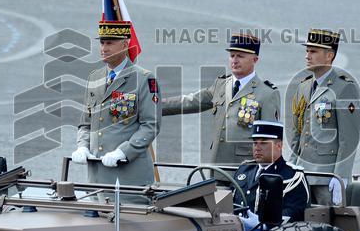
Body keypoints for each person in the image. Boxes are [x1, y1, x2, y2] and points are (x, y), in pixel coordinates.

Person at [161, 32, 280, 165]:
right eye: (232, 56)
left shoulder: (266, 93)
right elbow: (191, 101)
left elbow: (271, 140)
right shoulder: (221, 85)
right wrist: (153, 106)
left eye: (240, 56)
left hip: (246, 169)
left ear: (255, 60)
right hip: (217, 166)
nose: (234, 60)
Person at [73, 20, 161, 187]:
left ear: (124, 45)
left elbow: (151, 125)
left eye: (110, 43)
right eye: (102, 43)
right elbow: (85, 123)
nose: (104, 48)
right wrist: (82, 146)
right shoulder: (94, 77)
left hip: (129, 177)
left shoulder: (143, 79)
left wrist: (123, 152)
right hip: (97, 177)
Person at [289, 29, 360, 207]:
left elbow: (349, 139)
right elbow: (298, 134)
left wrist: (341, 176)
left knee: (326, 225)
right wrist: (291, 166)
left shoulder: (343, 88)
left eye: (313, 52)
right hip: (302, 175)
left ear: (329, 55)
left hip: (325, 176)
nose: (307, 56)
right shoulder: (304, 87)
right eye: (307, 51)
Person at [232, 120, 311, 231]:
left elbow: (294, 212)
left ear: (279, 146)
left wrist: (263, 225)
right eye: (255, 143)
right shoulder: (244, 170)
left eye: (263, 143)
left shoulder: (292, 175)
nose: (257, 148)